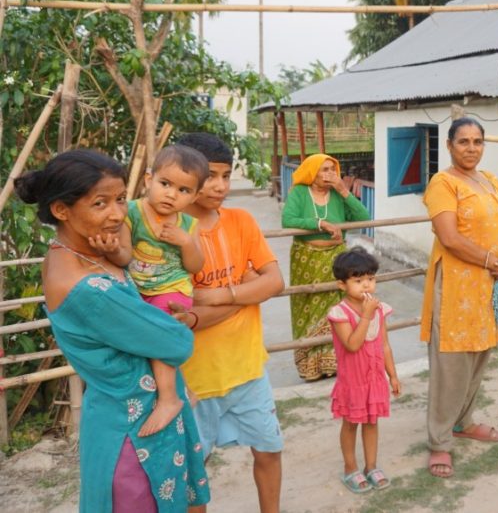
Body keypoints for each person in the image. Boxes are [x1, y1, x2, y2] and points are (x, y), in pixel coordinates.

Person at [16, 150, 210, 512]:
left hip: (131, 414)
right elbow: (177, 341)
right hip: (134, 435)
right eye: (100, 203)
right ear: (61, 210)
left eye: (121, 199)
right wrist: (176, 324)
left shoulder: (81, 251)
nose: (118, 214)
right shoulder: (87, 289)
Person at [176, 132, 285, 513]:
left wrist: (215, 296)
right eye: (211, 177)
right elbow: (181, 319)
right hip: (193, 380)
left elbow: (276, 281)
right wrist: (245, 290)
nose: (221, 186)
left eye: (226, 175)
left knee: (270, 450)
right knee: (194, 472)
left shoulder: (241, 220)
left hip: (248, 369)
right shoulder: (168, 234)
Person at [421, 117, 498, 479]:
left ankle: (463, 422)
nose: (471, 148)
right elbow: (450, 237)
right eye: (464, 142)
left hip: (488, 287)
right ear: (449, 145)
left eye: (477, 142)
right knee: (451, 366)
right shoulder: (442, 183)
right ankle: (440, 442)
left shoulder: (488, 180)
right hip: (457, 288)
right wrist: (495, 260)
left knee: (479, 355)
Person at [106, 145, 208, 437]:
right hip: (137, 290)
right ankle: (183, 388)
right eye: (165, 184)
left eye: (184, 190)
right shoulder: (133, 212)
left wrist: (186, 242)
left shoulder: (189, 224)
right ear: (149, 180)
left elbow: (195, 266)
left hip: (172, 288)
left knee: (158, 331)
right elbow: (125, 256)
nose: (172, 194)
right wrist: (112, 248)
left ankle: (169, 399)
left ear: (195, 196)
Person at [281, 153, 371, 381]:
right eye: (325, 169)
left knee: (339, 309)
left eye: (333, 169)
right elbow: (288, 220)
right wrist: (318, 223)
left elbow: (364, 216)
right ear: (312, 173)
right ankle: (311, 366)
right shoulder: (300, 193)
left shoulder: (338, 195)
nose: (330, 174)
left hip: (336, 259)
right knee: (308, 307)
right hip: (307, 260)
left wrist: (344, 191)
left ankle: (336, 363)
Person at [327, 247, 401, 494]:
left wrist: (392, 375)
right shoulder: (339, 313)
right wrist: (366, 317)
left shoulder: (379, 309)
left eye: (370, 279)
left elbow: (385, 345)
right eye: (358, 281)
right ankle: (350, 468)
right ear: (341, 284)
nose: (366, 286)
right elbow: (352, 344)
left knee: (371, 422)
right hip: (353, 382)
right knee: (350, 424)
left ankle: (371, 466)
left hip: (374, 379)